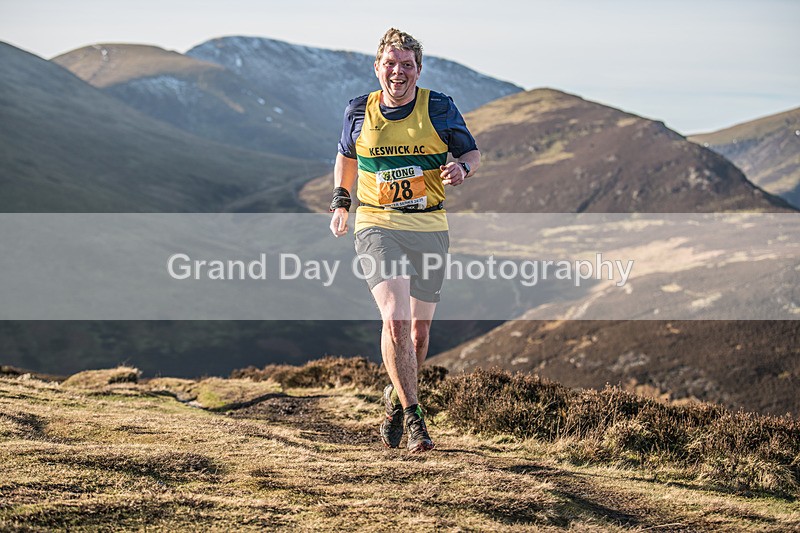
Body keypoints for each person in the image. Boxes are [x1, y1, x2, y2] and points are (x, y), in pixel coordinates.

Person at [329, 28, 480, 452]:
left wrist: (462, 170)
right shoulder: (359, 110)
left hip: (429, 225)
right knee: (394, 317)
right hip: (377, 223)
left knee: (417, 333)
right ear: (377, 67)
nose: (399, 72)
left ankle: (396, 401)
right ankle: (416, 420)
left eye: (407, 65)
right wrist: (341, 201)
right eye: (391, 64)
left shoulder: (440, 108)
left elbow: (471, 152)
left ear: (419, 69)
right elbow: (346, 156)